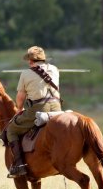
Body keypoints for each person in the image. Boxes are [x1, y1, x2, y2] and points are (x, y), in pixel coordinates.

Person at [6, 46, 62, 178]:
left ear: (31, 61)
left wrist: (19, 109)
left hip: (39, 108)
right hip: (57, 107)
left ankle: (19, 166)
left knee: (11, 130)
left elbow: (20, 97)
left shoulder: (25, 73)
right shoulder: (54, 69)